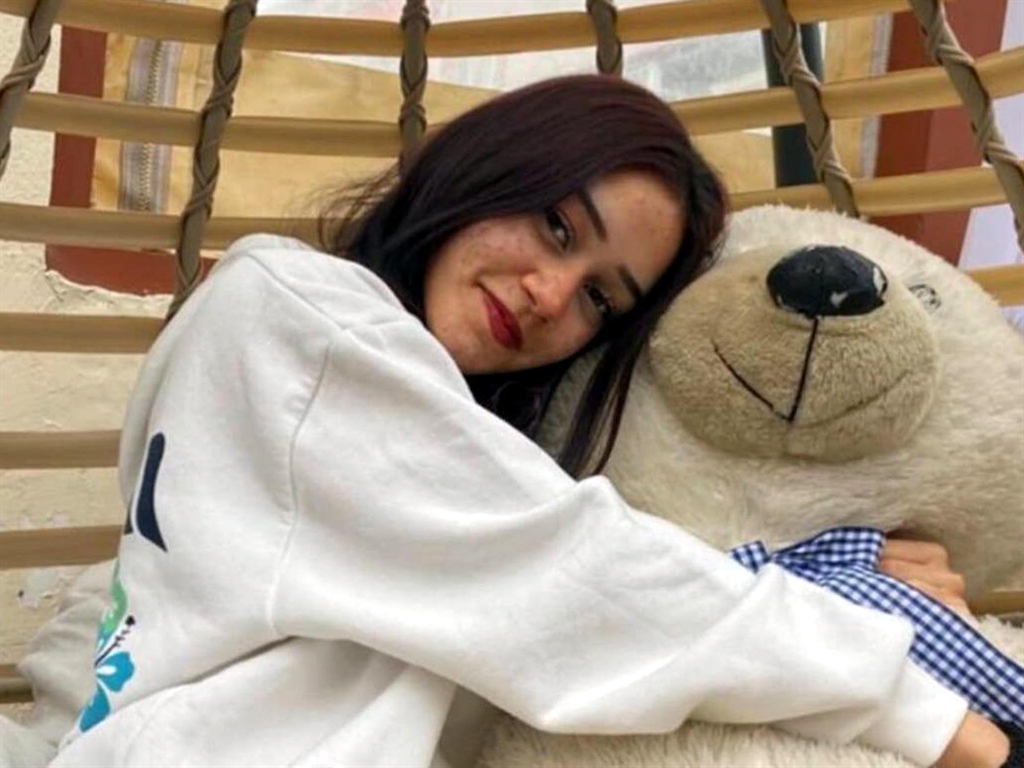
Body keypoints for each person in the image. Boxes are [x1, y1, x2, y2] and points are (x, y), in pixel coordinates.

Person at [49, 75, 1011, 768]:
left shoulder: (396, 439)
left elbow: (523, 591)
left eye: (600, 297)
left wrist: (811, 573)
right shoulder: (295, 314)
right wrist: (926, 712)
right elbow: (565, 579)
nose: (550, 295)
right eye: (556, 226)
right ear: (485, 168)